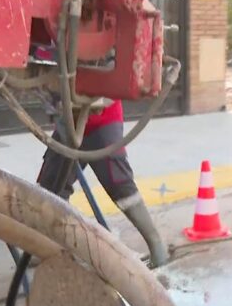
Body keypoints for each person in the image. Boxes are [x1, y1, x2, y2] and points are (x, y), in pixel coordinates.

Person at [37, 97, 170, 267]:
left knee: (120, 184)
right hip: (70, 123)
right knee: (50, 184)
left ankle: (156, 244)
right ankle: (48, 244)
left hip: (103, 121)